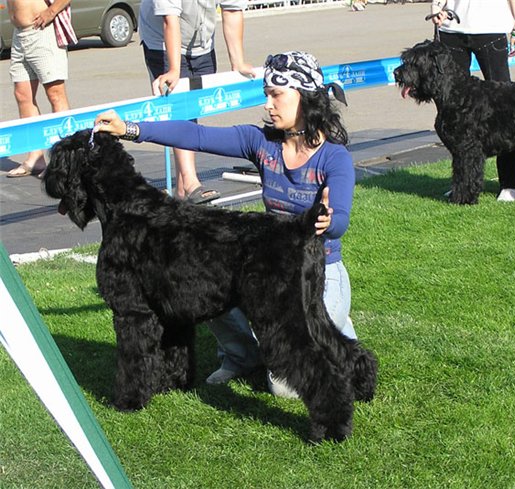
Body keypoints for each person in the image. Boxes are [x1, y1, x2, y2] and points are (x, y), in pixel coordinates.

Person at [94, 51, 356, 399]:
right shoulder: (262, 142)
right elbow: (196, 137)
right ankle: (242, 356)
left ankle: (343, 342)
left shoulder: (335, 157)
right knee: (202, 280)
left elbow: (340, 222)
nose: (267, 105)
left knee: (285, 385)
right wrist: (130, 129)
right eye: (266, 94)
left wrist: (327, 220)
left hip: (320, 265)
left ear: (305, 97)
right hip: (270, 260)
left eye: (276, 95)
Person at [138, 0, 255, 204]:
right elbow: (170, 20)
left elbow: (233, 10)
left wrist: (238, 63)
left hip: (201, 40)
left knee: (192, 110)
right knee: (179, 109)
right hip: (163, 40)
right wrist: (174, 69)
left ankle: (183, 189)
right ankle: (191, 183)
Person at [431, 0, 515, 202]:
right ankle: (463, 184)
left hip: (489, 28)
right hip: (451, 28)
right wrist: (436, 8)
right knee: (453, 116)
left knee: (504, 109)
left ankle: (510, 183)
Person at [6, 0, 76, 178]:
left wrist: (52, 11)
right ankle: (35, 156)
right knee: (23, 95)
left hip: (43, 31)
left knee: (55, 94)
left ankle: (63, 161)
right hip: (20, 34)